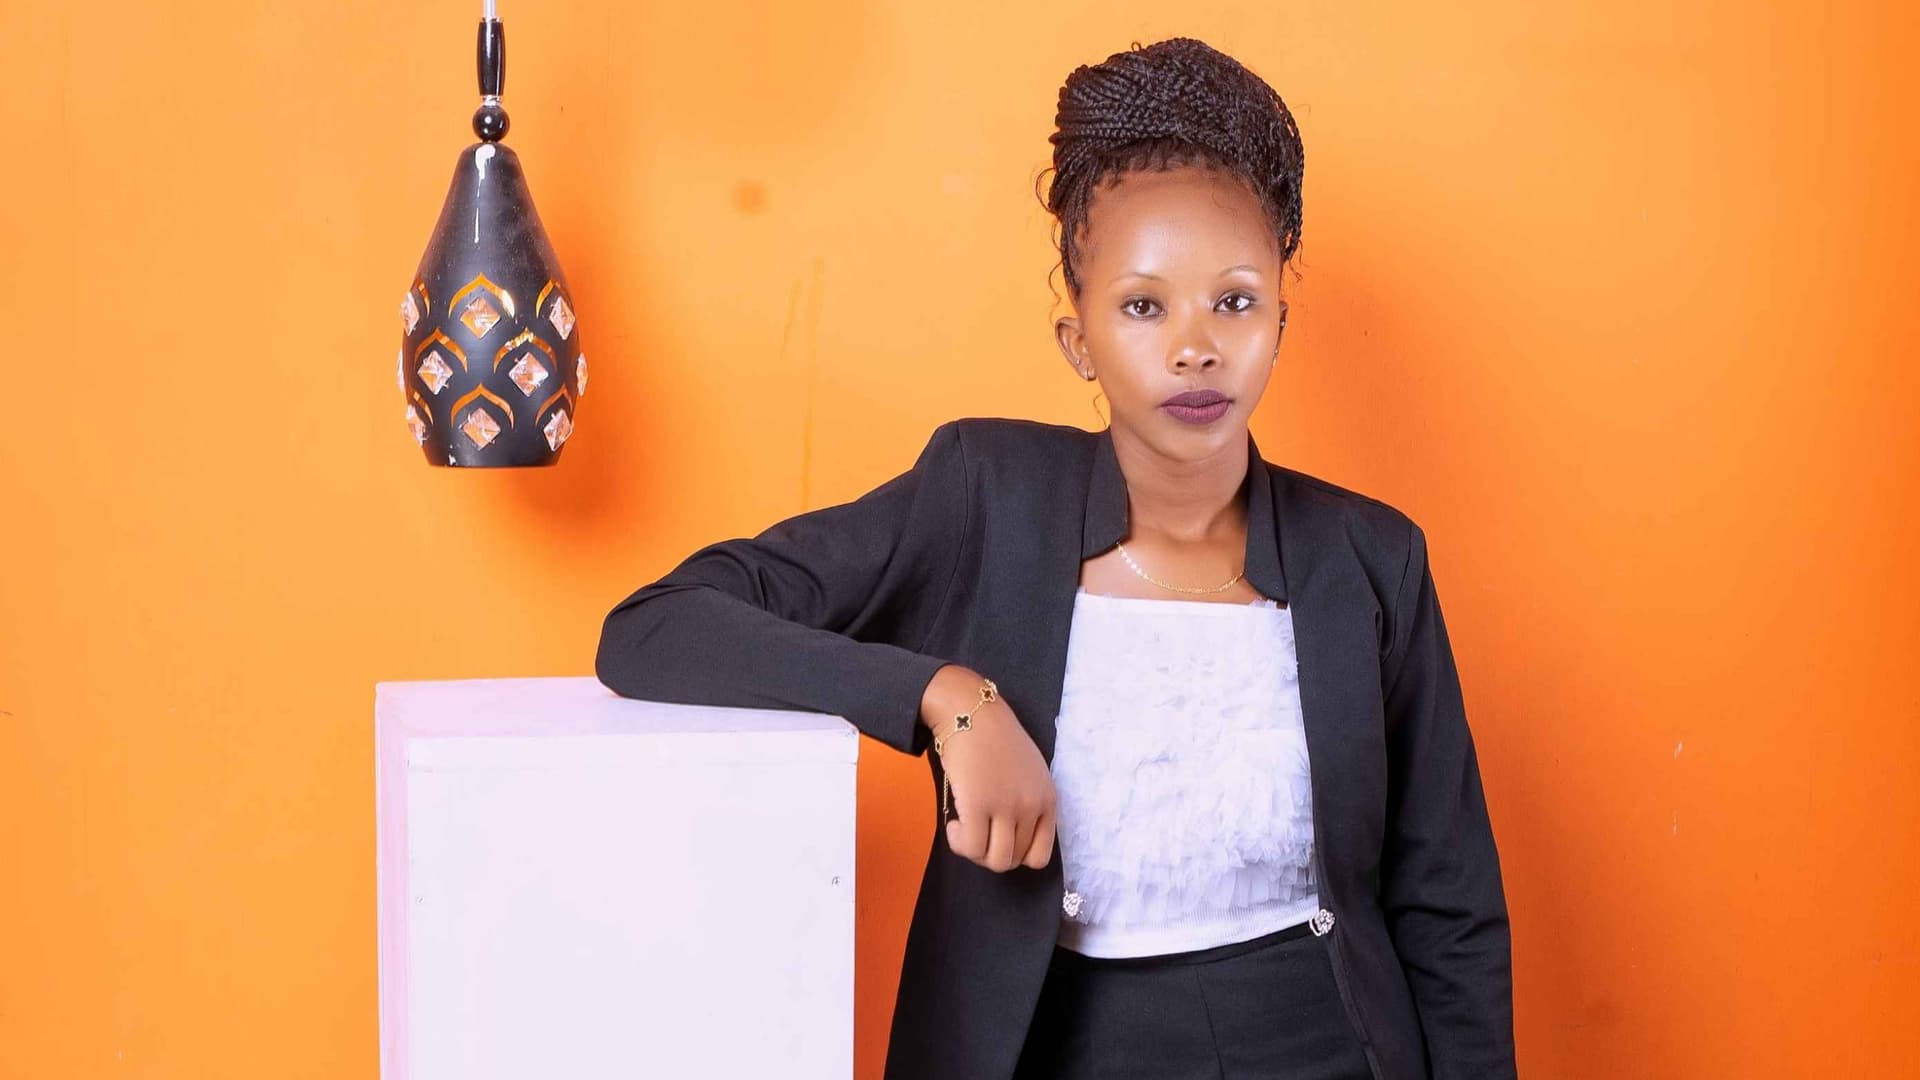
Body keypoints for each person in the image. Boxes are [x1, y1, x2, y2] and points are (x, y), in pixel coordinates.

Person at [595, 36, 1514, 1080]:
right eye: (1143, 305)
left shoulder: (1371, 558)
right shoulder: (986, 497)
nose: (1196, 346)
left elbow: (1449, 910)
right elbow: (656, 626)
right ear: (1079, 340)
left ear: (1279, 322)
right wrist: (947, 698)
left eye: (1235, 300)